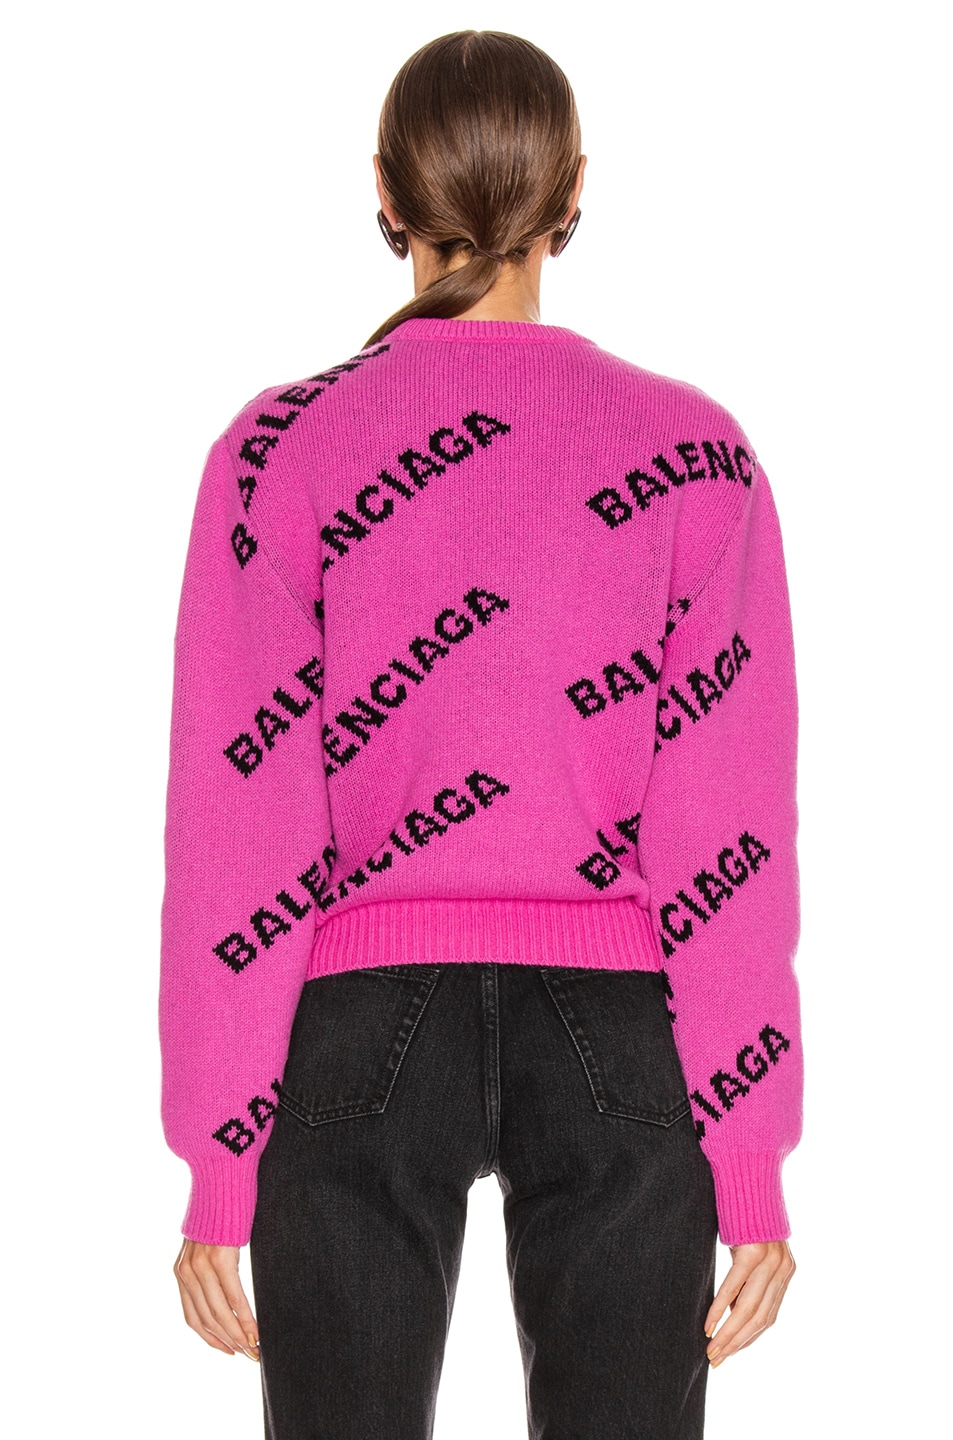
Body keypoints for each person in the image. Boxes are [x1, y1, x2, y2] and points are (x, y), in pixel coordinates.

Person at [161, 28, 801, 1440]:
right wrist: (749, 1157)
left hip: (359, 1021)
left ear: (385, 192)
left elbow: (235, 824)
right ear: (574, 194)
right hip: (620, 1031)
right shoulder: (694, 453)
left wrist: (219, 1158)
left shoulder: (278, 449)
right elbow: (729, 832)